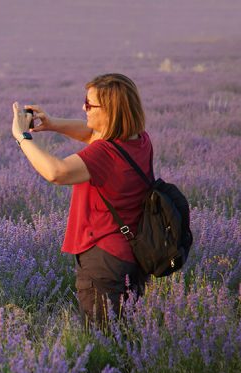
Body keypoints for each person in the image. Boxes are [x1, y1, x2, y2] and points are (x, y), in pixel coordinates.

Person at [11, 73, 151, 326]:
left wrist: (22, 137)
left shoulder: (105, 154)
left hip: (103, 260)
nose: (83, 108)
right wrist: (51, 123)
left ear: (111, 110)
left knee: (104, 338)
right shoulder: (138, 139)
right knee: (125, 333)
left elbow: (57, 172)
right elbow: (91, 133)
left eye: (89, 104)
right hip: (131, 256)